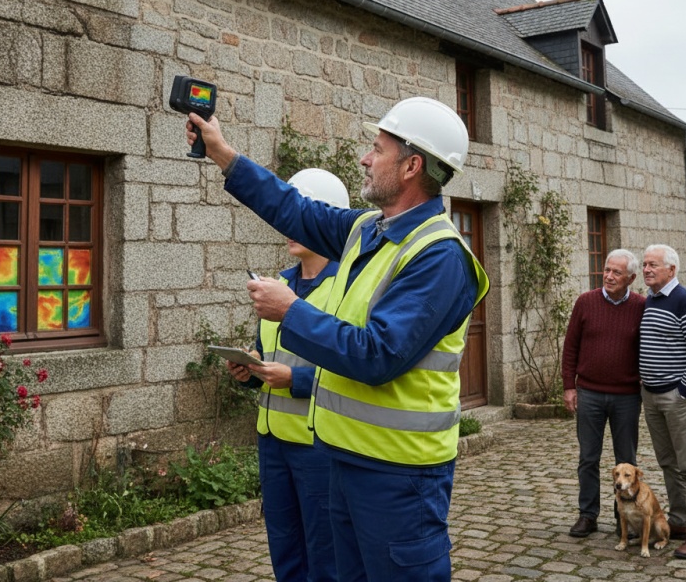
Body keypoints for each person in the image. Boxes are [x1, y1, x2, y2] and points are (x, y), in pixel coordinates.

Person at [187, 96, 489, 582]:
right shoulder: (368, 231)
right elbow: (294, 209)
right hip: (344, 460)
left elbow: (377, 355)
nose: (365, 159)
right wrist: (222, 152)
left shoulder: (439, 255)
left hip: (399, 476)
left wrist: (291, 312)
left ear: (412, 165)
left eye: (377, 149)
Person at [228, 168, 349, 582]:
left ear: (325, 219)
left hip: (319, 444)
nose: (289, 229)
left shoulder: (348, 288)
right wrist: (251, 368)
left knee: (324, 550)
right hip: (273, 440)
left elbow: (358, 362)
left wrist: (294, 380)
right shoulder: (277, 284)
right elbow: (269, 352)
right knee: (284, 545)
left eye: (299, 218)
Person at [561, 249, 646, 538]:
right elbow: (570, 346)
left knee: (626, 459)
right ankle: (588, 515)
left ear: (631, 278)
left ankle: (625, 516)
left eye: (616, 272)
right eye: (606, 270)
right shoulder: (585, 302)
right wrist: (569, 386)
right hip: (590, 393)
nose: (608, 276)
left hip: (626, 396)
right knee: (588, 458)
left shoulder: (641, 306)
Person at [640, 244, 686, 560]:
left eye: (653, 264)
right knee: (668, 462)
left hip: (677, 397)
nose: (646, 270)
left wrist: (682, 392)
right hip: (652, 396)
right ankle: (680, 522)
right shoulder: (651, 301)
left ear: (671, 269)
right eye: (644, 265)